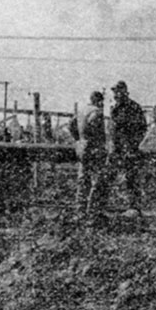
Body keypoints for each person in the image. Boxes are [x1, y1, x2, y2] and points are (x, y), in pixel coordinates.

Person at [110, 80, 148, 213]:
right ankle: (108, 205)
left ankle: (133, 206)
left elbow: (142, 128)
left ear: (125, 92)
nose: (116, 95)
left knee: (131, 177)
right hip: (116, 147)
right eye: (114, 92)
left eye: (118, 92)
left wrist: (133, 145)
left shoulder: (134, 107)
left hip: (129, 148)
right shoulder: (115, 108)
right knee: (109, 175)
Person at [70, 90, 109, 223]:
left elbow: (71, 125)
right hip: (94, 148)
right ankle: (93, 212)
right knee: (98, 180)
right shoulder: (97, 112)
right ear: (99, 100)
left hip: (82, 147)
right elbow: (95, 127)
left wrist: (79, 139)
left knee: (83, 179)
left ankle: (80, 211)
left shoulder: (81, 111)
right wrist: (99, 143)